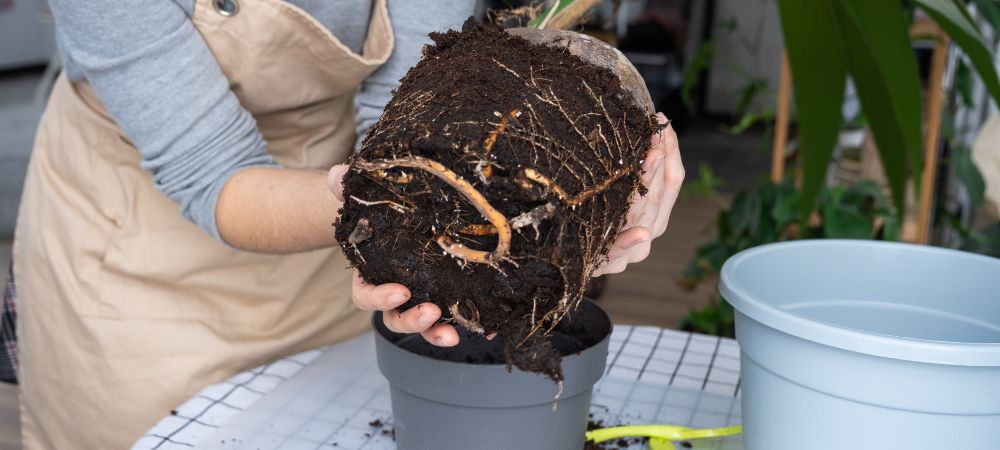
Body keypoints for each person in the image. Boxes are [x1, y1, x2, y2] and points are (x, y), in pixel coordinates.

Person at [2, 0, 684, 448]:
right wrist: (385, 208)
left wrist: (596, 158)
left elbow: (410, 100)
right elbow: (210, 172)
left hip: (342, 196)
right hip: (139, 249)